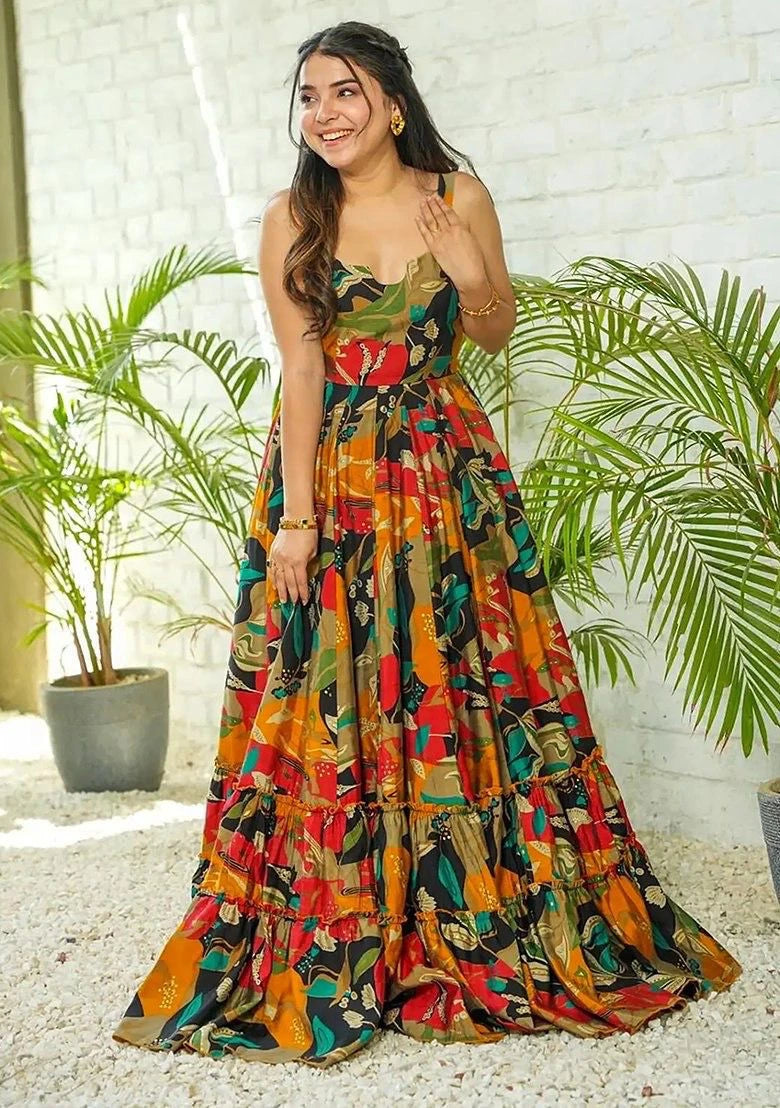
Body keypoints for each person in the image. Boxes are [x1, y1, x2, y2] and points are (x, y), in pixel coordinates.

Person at [111, 20, 742, 1068]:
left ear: (395, 104)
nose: (326, 114)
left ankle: (467, 893)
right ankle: (350, 902)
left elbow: (492, 329)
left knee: (472, 678)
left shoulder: (458, 195)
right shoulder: (289, 218)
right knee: (328, 689)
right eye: (309, 96)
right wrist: (297, 521)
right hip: (335, 476)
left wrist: (467, 262)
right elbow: (302, 371)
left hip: (445, 469)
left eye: (346, 92)